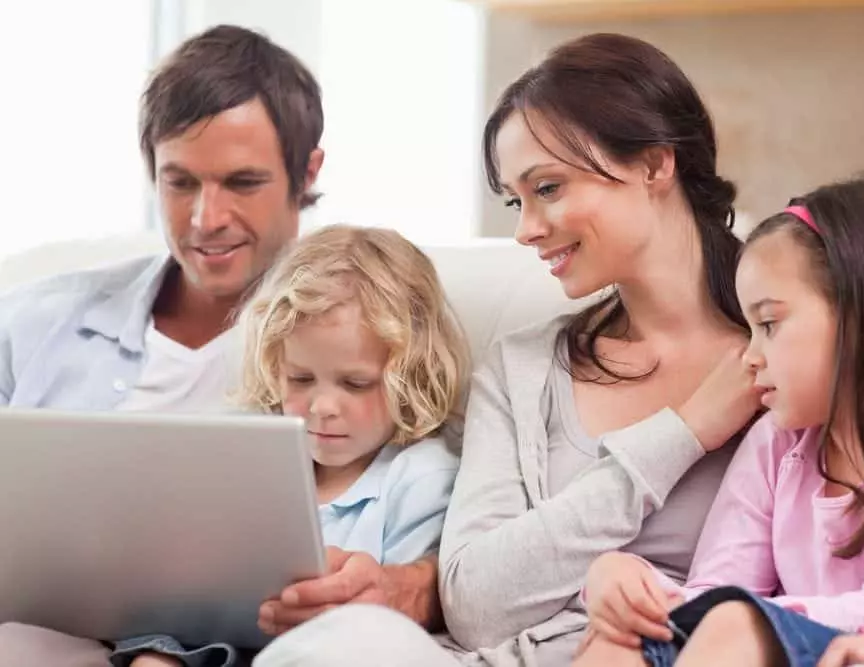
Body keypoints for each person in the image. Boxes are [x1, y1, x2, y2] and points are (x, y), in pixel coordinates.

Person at [251, 32, 762, 667]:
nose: (524, 230)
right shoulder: (523, 369)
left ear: (656, 165)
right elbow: (474, 605)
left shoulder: (781, 360)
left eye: (547, 188)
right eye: (516, 200)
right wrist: (683, 433)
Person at [0, 25, 437, 667]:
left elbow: (455, 522)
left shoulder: (357, 338)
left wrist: (416, 585)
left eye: (241, 182)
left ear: (306, 170)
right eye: (180, 183)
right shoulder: (36, 319)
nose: (207, 218)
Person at [576, 171, 864, 667]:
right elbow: (719, 587)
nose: (750, 356)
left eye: (769, 324)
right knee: (620, 643)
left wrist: (738, 616)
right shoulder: (777, 443)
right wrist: (624, 583)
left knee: (736, 624)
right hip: (799, 646)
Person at [115, 225, 469, 667]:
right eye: (300, 379)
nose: (321, 407)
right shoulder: (242, 444)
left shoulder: (420, 478)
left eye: (355, 383)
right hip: (211, 641)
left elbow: (402, 623)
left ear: (411, 377)